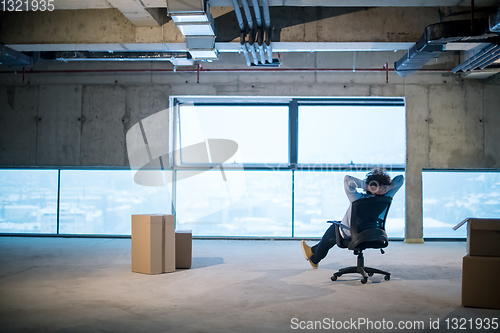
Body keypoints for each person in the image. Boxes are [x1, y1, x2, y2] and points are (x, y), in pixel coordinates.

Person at [301, 168, 404, 269]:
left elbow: (347, 179)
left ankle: (314, 258)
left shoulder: (357, 198)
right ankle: (313, 252)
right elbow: (400, 179)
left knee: (334, 228)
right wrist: (387, 188)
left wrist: (368, 187)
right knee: (335, 230)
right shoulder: (387, 197)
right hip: (373, 232)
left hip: (353, 234)